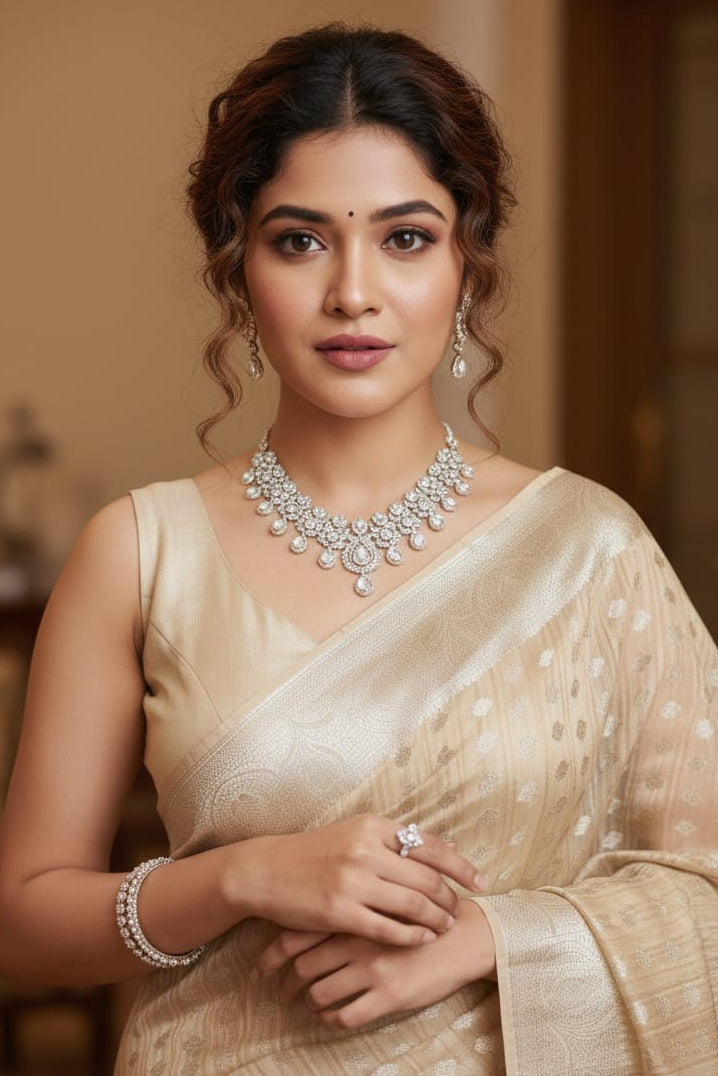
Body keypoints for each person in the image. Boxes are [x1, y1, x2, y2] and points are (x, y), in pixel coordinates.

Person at [0, 22, 716, 1075]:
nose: (352, 292)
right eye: (299, 239)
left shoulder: (586, 547)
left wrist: (493, 938)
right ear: (236, 268)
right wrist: (243, 875)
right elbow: (24, 922)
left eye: (405, 236)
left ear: (466, 264)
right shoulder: (142, 550)